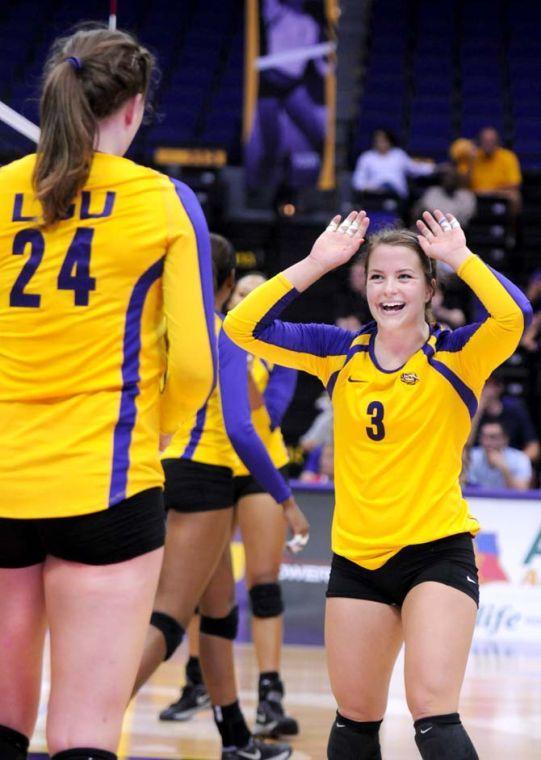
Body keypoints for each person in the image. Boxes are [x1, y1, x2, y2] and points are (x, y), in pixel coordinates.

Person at [224, 207, 532, 759]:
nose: (389, 288)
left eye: (405, 276)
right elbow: (241, 326)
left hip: (436, 551)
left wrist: (462, 256)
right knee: (355, 722)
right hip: (358, 560)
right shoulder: (336, 352)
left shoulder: (460, 353)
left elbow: (515, 314)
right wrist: (317, 263)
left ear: (430, 288)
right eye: (377, 277)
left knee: (434, 714)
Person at [0, 26, 217, 760]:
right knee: (84, 736)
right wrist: (158, 434)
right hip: (108, 479)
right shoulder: (163, 200)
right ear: (133, 108)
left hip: (2, 477)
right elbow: (193, 363)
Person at [133, 235, 307, 760]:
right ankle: (89, 722)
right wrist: (287, 500)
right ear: (229, 288)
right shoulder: (223, 335)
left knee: (218, 609)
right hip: (203, 475)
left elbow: (269, 413)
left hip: (147, 471)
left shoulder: (146, 324)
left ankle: (236, 737)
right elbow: (242, 427)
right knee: (169, 616)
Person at [227, 272, 302, 739]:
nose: (246, 301)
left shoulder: (281, 352)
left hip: (262, 470)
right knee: (202, 589)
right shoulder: (210, 335)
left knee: (263, 584)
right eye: (240, 295)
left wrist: (240, 363)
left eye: (257, 296)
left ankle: (270, 693)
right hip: (209, 467)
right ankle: (196, 681)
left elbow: (269, 417)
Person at [470, 370, 540, 464]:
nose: (482, 388)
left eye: (486, 384)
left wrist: (513, 465)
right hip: (477, 467)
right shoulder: (471, 412)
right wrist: (478, 411)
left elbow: (534, 448)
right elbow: (465, 446)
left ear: (499, 387)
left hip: (509, 467)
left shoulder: (514, 409)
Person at [352, 129, 435, 199]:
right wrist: (370, 188)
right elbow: (358, 181)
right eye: (378, 141)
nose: (381, 144)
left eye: (384, 141)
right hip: (375, 195)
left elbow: (415, 168)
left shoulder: (398, 154)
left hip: (397, 196)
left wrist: (433, 167)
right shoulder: (366, 157)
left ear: (390, 142)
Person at [469, 127, 522, 213]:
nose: (488, 144)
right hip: (474, 193)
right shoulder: (473, 157)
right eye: (485, 141)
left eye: (491, 141)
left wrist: (491, 191)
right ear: (480, 142)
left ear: (497, 142)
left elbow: (515, 184)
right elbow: (463, 183)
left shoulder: (508, 156)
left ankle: (512, 225)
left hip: (498, 192)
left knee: (515, 197)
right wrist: (470, 162)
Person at [467, 421, 532, 490]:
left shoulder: (520, 458)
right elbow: (463, 486)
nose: (486, 442)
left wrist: (505, 470)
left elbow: (522, 491)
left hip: (507, 500)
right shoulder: (471, 456)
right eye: (483, 437)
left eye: (493, 437)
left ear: (505, 439)